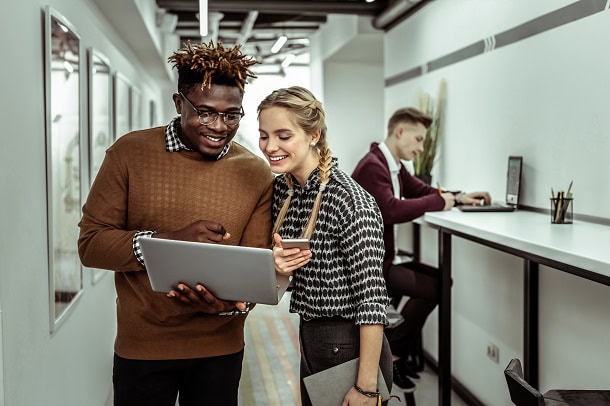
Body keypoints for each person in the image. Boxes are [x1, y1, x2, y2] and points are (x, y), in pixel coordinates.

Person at [78, 41, 274, 406]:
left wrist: (233, 305)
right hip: (143, 350)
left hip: (221, 349)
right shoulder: (129, 153)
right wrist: (166, 241)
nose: (219, 126)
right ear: (178, 103)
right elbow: (91, 244)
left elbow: (256, 267)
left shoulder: (256, 173)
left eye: (232, 115)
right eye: (205, 112)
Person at [257, 86, 393, 406]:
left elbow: (372, 303)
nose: (270, 146)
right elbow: (288, 279)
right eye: (263, 135)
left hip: (350, 345)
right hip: (312, 337)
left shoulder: (349, 201)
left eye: (283, 136)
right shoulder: (284, 190)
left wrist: (366, 388)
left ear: (314, 135)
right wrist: (277, 267)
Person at [352, 107, 491, 392]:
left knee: (441, 281)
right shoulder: (372, 166)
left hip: (384, 260)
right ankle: (394, 354)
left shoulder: (392, 166)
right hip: (371, 269)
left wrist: (458, 196)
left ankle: (393, 350)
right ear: (400, 132)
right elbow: (390, 209)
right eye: (418, 139)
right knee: (434, 287)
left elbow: (420, 190)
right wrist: (441, 203)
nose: (421, 147)